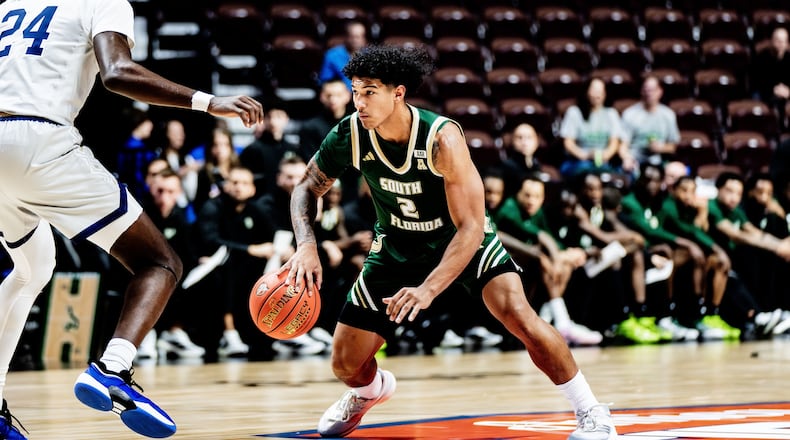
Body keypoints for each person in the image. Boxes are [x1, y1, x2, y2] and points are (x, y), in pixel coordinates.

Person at [282, 45, 616, 440]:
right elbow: (306, 186)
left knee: (517, 313)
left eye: (370, 91)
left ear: (398, 93)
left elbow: (472, 227)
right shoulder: (349, 133)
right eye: (355, 91)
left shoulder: (442, 139)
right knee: (344, 364)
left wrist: (429, 288)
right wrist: (306, 244)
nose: (360, 102)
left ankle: (592, 412)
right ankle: (371, 391)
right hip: (396, 245)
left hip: (458, 239)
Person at [0, 0, 263, 438]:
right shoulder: (102, 3)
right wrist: (208, 102)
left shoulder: (9, 6)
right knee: (160, 263)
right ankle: (112, 369)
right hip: (38, 139)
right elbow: (118, 73)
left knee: (31, 269)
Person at [558, 78, 624, 178]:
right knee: (586, 173)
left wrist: (605, 155)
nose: (597, 95)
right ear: (587, 92)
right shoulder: (574, 112)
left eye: (600, 91)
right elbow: (568, 143)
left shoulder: (611, 113)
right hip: (578, 161)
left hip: (603, 161)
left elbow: (614, 142)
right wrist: (585, 155)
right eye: (594, 90)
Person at [620, 75, 681, 168]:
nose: (649, 93)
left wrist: (661, 148)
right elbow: (623, 146)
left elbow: (674, 146)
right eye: (646, 89)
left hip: (659, 162)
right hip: (635, 161)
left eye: (652, 90)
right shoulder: (629, 114)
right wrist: (627, 158)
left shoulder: (668, 115)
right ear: (641, 91)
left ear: (660, 92)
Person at [318, 20, 368, 90]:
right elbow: (326, 82)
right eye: (353, 36)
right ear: (346, 37)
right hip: (340, 95)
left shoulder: (371, 56)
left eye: (360, 36)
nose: (356, 40)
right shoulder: (332, 55)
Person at [752, 27, 790, 109]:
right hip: (765, 92)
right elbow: (757, 81)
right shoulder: (762, 57)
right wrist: (773, 89)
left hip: (785, 93)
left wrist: (788, 91)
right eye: (777, 40)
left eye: (783, 41)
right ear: (772, 41)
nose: (780, 43)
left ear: (787, 43)